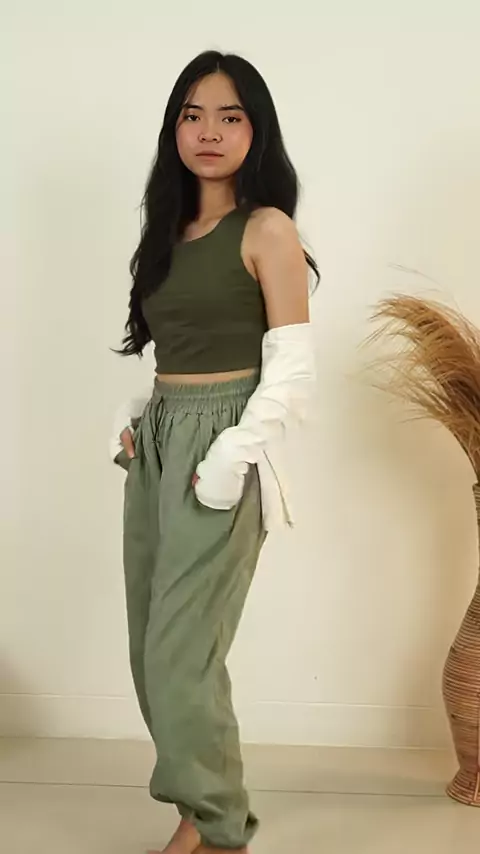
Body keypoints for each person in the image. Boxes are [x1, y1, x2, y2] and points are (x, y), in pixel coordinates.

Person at [110, 50, 318, 854]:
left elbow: (292, 369)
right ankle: (204, 810)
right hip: (160, 446)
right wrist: (142, 413)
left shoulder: (267, 229)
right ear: (174, 129)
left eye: (230, 117)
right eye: (192, 115)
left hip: (224, 447)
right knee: (149, 645)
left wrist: (235, 451)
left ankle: (217, 826)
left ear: (255, 130)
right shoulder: (167, 232)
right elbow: (174, 350)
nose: (209, 132)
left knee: (182, 653)